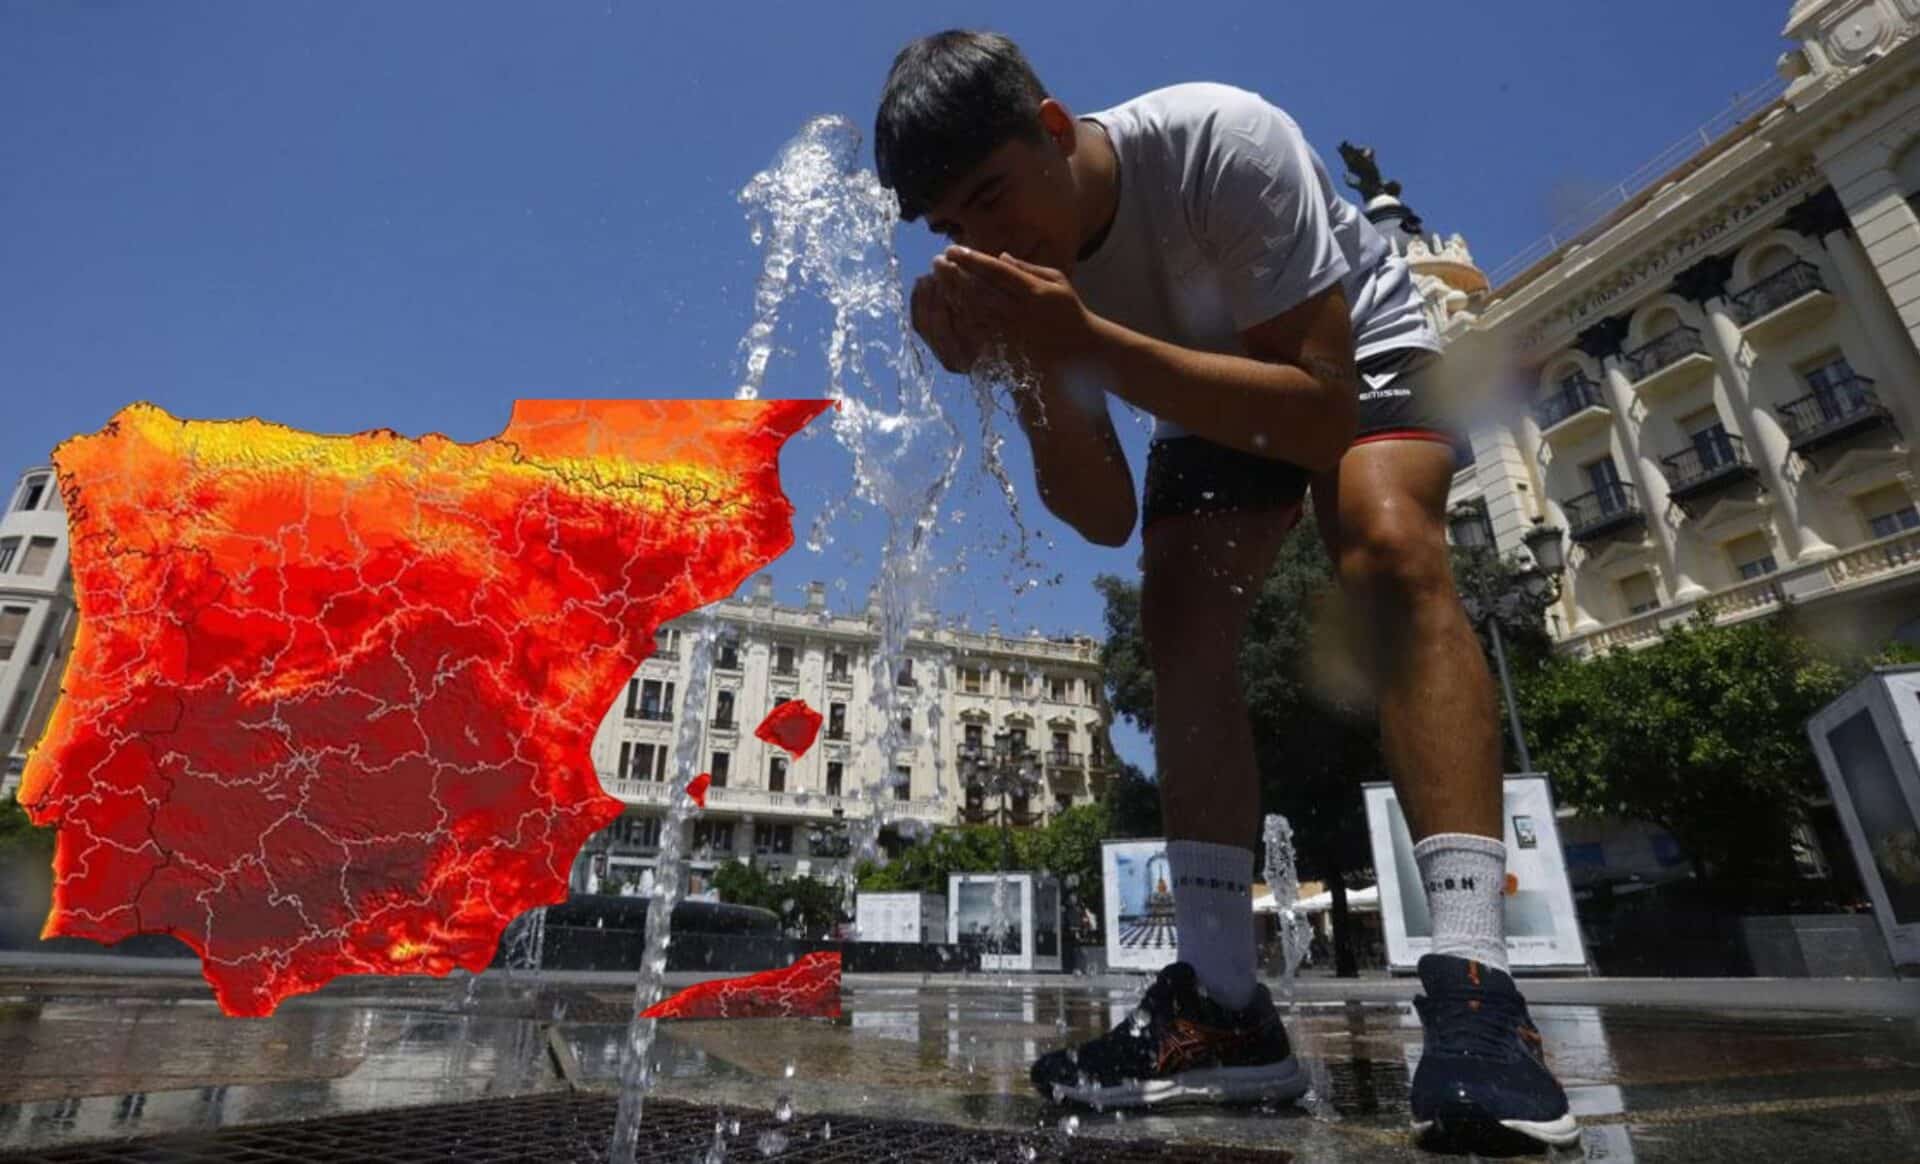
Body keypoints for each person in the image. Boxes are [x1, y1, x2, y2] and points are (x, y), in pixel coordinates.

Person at [872, 31, 1578, 1150]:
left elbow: (1313, 413)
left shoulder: (1220, 140)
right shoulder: (1032, 279)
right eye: (957, 228)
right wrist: (1023, 360)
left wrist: (1082, 332)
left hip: (1343, 351)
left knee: (1387, 542)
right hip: (1202, 382)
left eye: (996, 196)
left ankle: (1478, 983)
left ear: (1054, 130)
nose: (989, 240)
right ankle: (1220, 1005)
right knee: (1180, 621)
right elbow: (1100, 512)